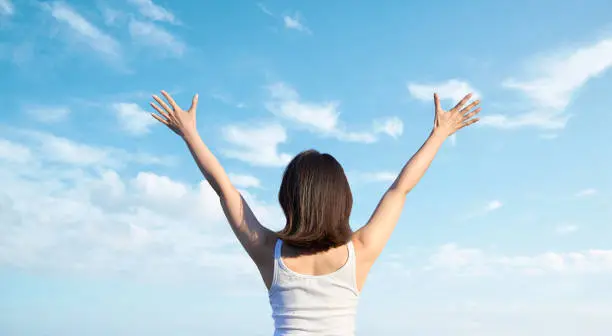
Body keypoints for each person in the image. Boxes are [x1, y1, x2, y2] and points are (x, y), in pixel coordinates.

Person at [150, 90, 480, 335]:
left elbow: (226, 191)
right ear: (343, 199)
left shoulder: (269, 252)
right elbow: (399, 189)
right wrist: (439, 134)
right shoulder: (359, 252)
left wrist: (190, 134)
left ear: (288, 198)